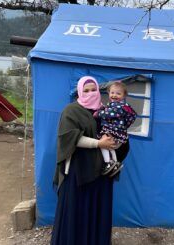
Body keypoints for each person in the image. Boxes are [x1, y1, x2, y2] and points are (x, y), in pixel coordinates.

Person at [51, 76, 130, 245]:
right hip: (78, 174)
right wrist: (98, 143)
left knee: (97, 212)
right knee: (76, 212)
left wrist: (116, 143)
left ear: (99, 91)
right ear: (79, 91)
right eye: (85, 90)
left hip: (101, 173)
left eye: (93, 89)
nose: (90, 93)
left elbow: (119, 133)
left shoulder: (108, 110)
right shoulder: (71, 111)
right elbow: (68, 138)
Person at [94, 81, 136, 177]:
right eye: (112, 93)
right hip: (119, 132)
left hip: (113, 131)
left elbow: (109, 114)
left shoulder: (118, 106)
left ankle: (107, 163)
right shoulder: (124, 106)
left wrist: (98, 113)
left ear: (124, 95)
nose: (114, 95)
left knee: (103, 144)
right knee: (110, 146)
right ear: (108, 93)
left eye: (118, 93)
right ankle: (115, 163)